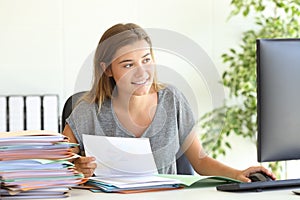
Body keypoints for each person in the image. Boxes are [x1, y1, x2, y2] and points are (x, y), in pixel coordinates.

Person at [62, 23, 276, 182]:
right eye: (128, 65)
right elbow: (56, 168)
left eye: (146, 60)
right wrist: (74, 169)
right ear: (107, 69)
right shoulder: (86, 111)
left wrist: (236, 173)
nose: (142, 72)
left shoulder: (172, 100)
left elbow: (200, 161)